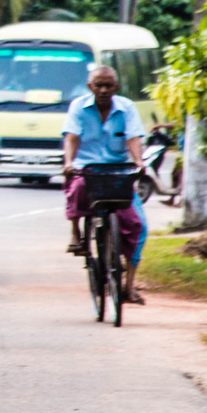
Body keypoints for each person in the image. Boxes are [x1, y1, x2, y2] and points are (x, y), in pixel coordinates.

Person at [62, 63, 147, 305]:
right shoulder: (78, 106)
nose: (103, 90)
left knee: (134, 224)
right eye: (98, 85)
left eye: (108, 85)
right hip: (86, 168)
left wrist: (139, 162)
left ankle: (125, 282)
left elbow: (133, 137)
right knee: (76, 188)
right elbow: (72, 137)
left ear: (116, 87)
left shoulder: (126, 107)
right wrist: (69, 162)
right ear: (90, 87)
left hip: (117, 170)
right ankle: (76, 231)